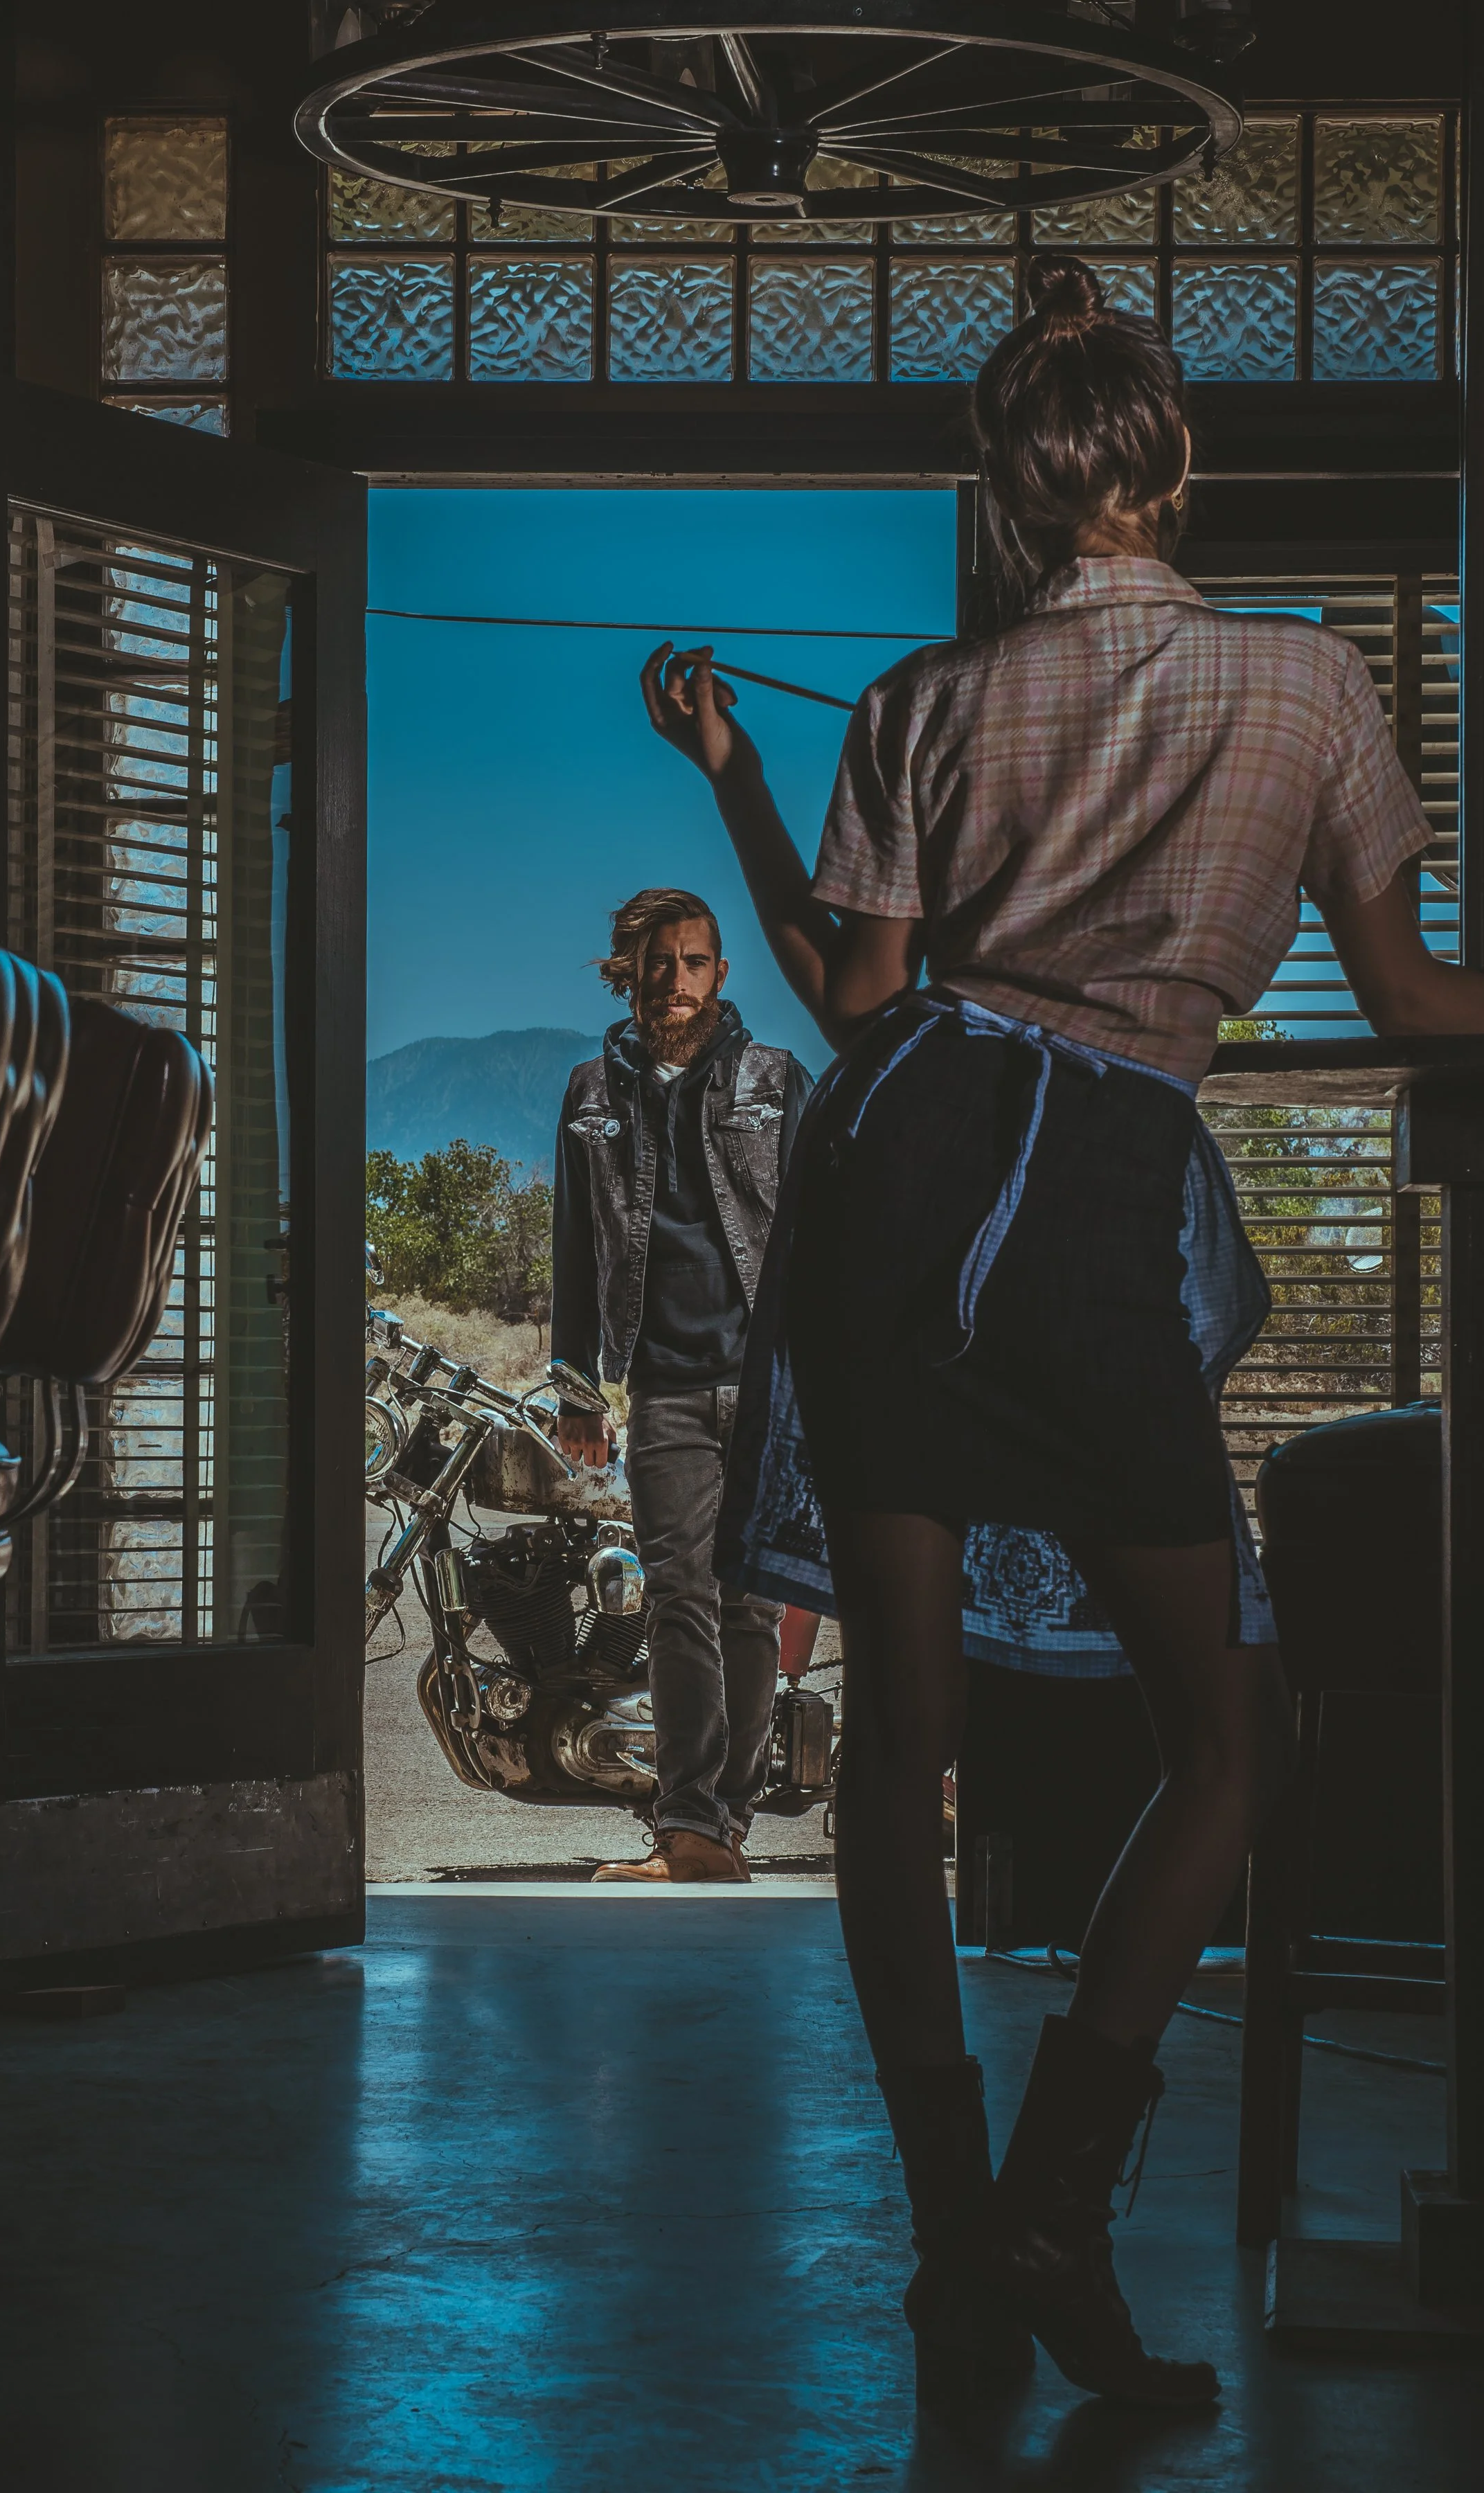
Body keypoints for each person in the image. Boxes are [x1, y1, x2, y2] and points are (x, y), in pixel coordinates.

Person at [640, 256, 1484, 2406]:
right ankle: (1045, 2213)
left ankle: (966, 2243)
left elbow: (853, 999)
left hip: (895, 1167)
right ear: (1174, 461)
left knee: (901, 1743)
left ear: (1009, 491)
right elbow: (1412, 999)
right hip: (1093, 1184)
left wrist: (733, 775)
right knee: (1234, 1737)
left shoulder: (927, 700)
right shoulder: (1313, 686)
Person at [550, 890, 814, 1884]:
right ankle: (690, 1827)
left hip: (769, 1384)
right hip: (662, 1387)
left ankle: (720, 1830)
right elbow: (574, 1250)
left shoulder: (775, 1080)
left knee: (749, 1609)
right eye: (658, 963)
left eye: (694, 962)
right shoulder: (591, 1094)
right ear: (631, 972)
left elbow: (826, 1233)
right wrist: (579, 1390)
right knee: (678, 1603)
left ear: (720, 973)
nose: (676, 981)